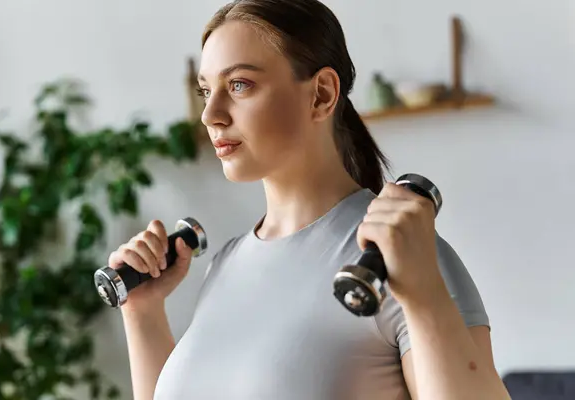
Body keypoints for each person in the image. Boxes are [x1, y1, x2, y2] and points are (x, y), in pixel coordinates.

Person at [108, 1, 511, 399]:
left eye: (239, 85)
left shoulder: (401, 256)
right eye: (206, 90)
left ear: (321, 94)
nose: (210, 113)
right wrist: (142, 312)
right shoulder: (225, 265)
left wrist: (424, 292)